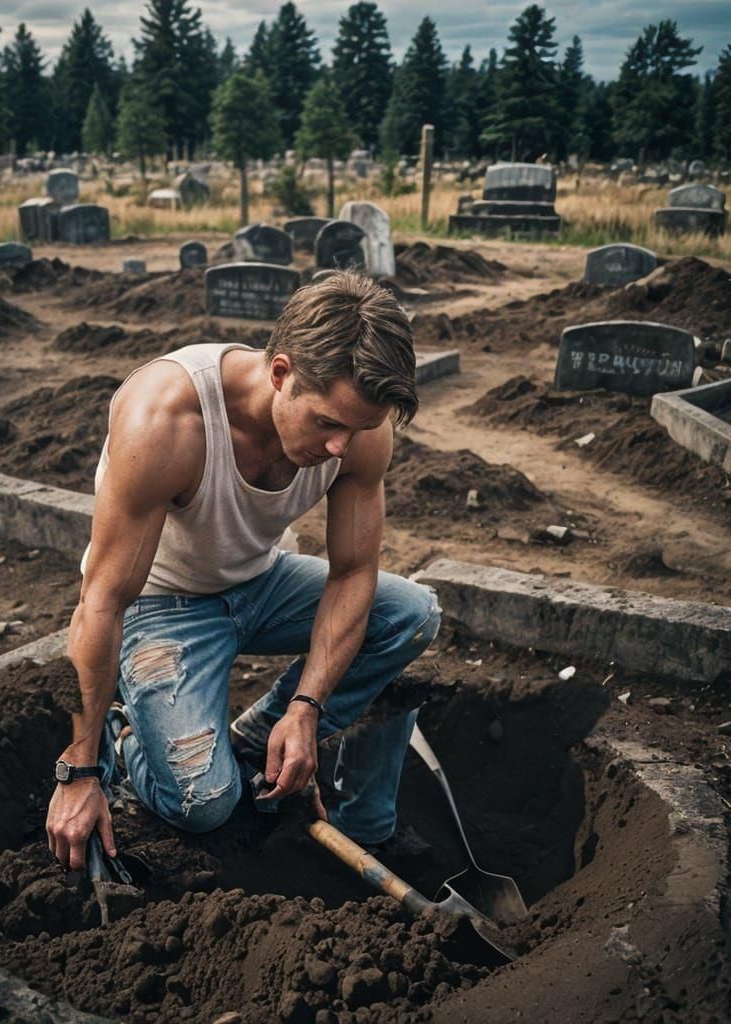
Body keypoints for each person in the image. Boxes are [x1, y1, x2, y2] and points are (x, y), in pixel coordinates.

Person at [46, 270, 441, 871]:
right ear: (280, 373)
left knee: (411, 614)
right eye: (327, 423)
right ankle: (127, 745)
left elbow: (353, 573)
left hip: (261, 580)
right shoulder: (168, 420)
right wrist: (79, 770)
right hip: (163, 603)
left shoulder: (360, 429)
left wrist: (305, 708)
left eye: (357, 428)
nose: (342, 446)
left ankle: (258, 741)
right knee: (204, 803)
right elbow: (102, 601)